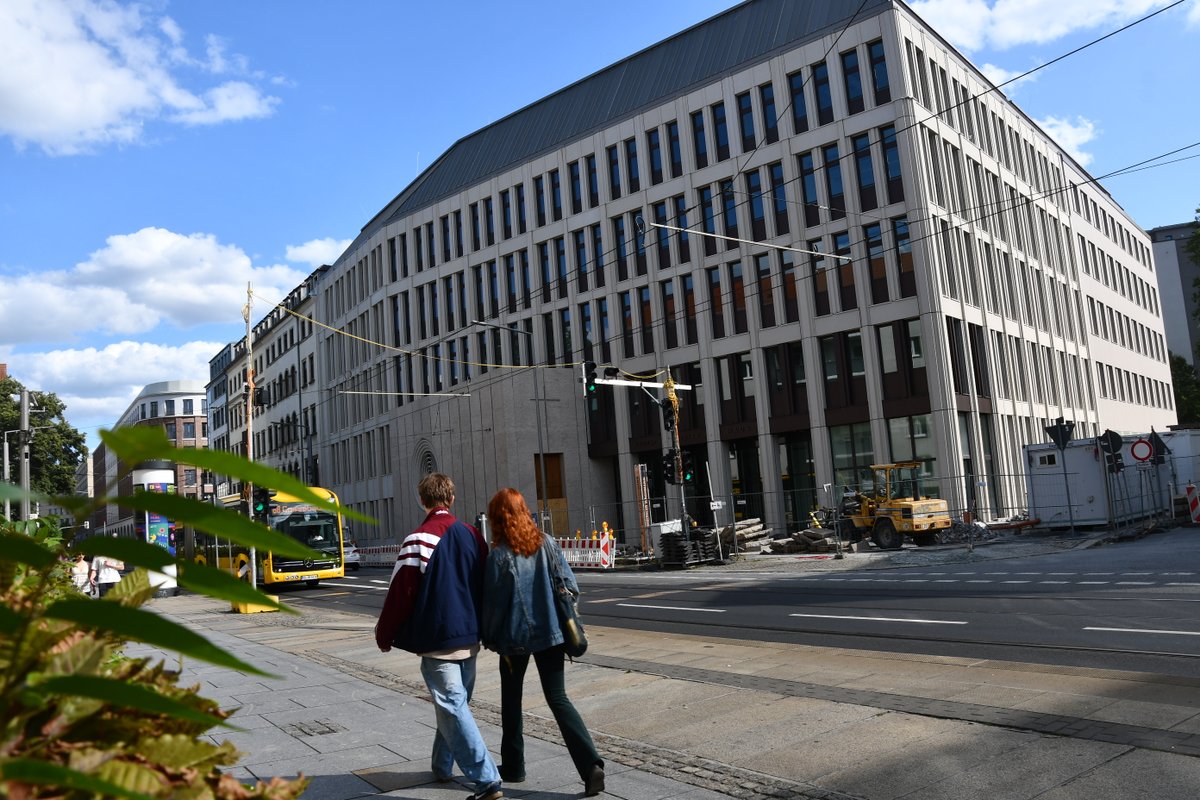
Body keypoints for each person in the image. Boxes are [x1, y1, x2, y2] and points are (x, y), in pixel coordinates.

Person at [374, 473, 502, 800]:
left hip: (437, 642)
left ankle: (487, 779)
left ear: (422, 500)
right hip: (469, 638)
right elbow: (484, 587)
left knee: (454, 708)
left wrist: (384, 633)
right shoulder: (474, 536)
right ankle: (441, 766)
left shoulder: (418, 539)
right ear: (452, 499)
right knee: (455, 707)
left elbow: (400, 593)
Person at [480, 488, 605, 797]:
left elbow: (494, 607)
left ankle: (514, 766)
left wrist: (490, 637)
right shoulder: (547, 543)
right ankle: (590, 766)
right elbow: (570, 587)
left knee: (511, 700)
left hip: (513, 640)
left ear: (498, 518)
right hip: (552, 635)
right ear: (524, 512)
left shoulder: (498, 555)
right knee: (558, 698)